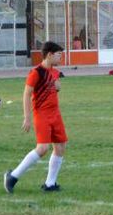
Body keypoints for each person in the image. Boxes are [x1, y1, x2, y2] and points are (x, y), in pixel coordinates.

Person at [4, 41, 67, 194]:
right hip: (42, 114)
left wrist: (57, 86)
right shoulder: (36, 72)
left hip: (55, 114)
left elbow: (55, 86)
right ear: (50, 55)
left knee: (60, 146)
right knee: (43, 148)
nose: (60, 58)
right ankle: (12, 176)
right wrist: (27, 117)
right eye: (59, 54)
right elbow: (26, 94)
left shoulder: (55, 72)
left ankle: (50, 184)